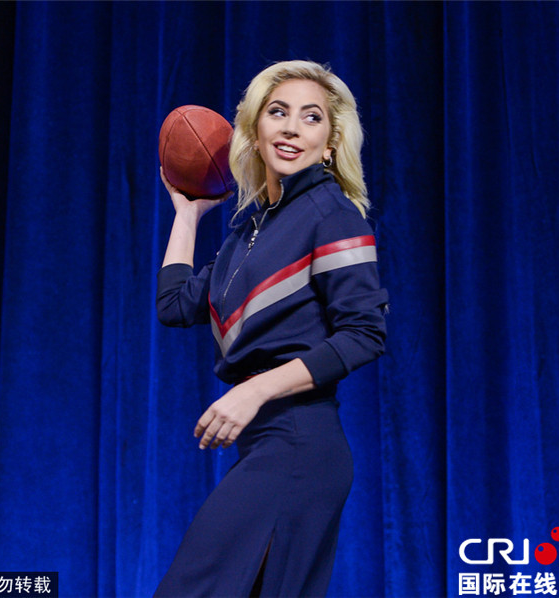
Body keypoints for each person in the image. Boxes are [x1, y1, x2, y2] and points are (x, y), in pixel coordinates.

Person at [154, 60, 388, 597]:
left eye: (311, 117)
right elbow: (174, 305)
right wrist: (188, 214)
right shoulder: (249, 232)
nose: (291, 127)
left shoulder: (332, 214)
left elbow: (365, 333)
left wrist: (254, 390)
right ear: (255, 131)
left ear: (330, 144)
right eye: (278, 112)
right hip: (267, 446)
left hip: (300, 446)